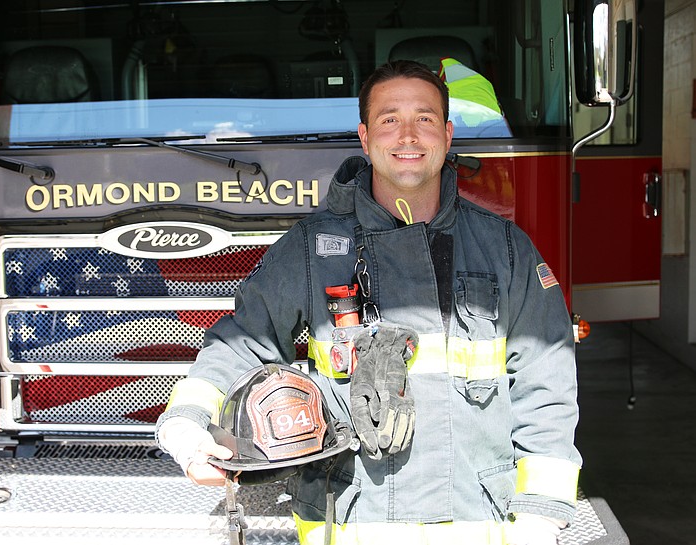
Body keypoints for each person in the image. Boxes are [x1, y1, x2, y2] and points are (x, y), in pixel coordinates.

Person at [156, 59, 582, 545]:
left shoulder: (506, 250)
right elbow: (241, 344)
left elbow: (546, 381)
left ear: (446, 135)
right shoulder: (312, 249)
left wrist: (540, 517)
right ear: (364, 137)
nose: (407, 135)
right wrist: (187, 425)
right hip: (350, 523)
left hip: (482, 522)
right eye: (389, 119)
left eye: (423, 118)